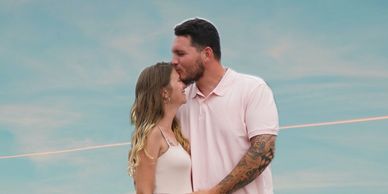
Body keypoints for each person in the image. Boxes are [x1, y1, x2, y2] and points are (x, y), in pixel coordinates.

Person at [171, 18, 279, 194]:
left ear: (206, 54)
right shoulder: (180, 102)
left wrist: (216, 192)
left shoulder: (252, 89)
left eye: (181, 54)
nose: (174, 61)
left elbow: (263, 151)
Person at [128, 62, 193, 194]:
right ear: (164, 92)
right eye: (179, 81)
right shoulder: (153, 134)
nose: (184, 85)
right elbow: (143, 191)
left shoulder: (175, 135)